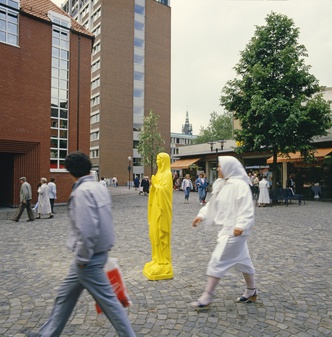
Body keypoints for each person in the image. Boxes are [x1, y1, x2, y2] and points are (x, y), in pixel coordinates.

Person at [27, 151, 136, 337]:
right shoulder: (99, 188)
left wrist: (82, 258)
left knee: (109, 304)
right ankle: (47, 334)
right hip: (95, 254)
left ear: (70, 172)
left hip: (87, 258)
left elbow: (87, 230)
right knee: (64, 297)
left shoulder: (81, 192)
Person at [191, 156, 257, 309]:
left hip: (235, 231)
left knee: (217, 259)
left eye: (220, 166)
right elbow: (213, 204)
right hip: (226, 229)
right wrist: (201, 215)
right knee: (243, 261)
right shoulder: (222, 185)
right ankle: (252, 291)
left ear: (229, 168)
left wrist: (241, 224)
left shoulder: (240, 185)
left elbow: (247, 207)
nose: (218, 169)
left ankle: (207, 296)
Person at [143, 152, 173, 280]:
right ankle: (156, 258)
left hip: (163, 210)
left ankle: (163, 261)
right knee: (154, 233)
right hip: (156, 207)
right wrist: (153, 187)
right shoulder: (159, 174)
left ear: (164, 161)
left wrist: (155, 184)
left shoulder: (167, 174)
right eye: (156, 159)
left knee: (161, 233)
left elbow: (165, 192)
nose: (157, 162)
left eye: (159, 159)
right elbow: (155, 190)